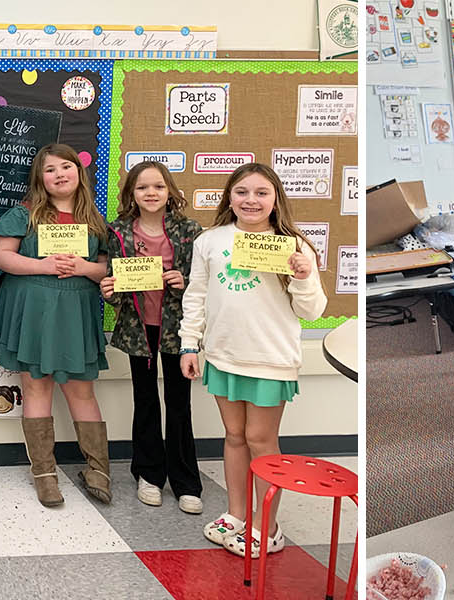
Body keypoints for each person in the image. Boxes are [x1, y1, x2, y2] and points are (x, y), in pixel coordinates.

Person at [177, 163, 327, 557]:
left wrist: (304, 274)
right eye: (242, 192)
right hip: (223, 355)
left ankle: (268, 526)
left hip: (269, 359)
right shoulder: (210, 241)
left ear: (276, 198)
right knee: (234, 436)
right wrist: (189, 344)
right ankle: (237, 515)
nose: (251, 200)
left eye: (262, 192)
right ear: (230, 197)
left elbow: (312, 311)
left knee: (262, 440)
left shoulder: (294, 245)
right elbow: (196, 295)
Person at [0, 143, 113, 507]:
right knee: (37, 387)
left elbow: (107, 268)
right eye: (50, 169)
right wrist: (44, 265)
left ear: (79, 171)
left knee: (82, 391)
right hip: (33, 310)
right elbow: (2, 256)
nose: (59, 174)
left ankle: (98, 469)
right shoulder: (23, 213)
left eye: (66, 167)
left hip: (76, 311)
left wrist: (84, 268)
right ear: (39, 178)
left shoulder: (94, 219)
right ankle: (44, 473)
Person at [99, 161, 205, 514]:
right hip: (138, 329)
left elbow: (203, 285)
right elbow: (116, 287)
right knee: (145, 401)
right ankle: (149, 474)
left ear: (170, 191)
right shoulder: (117, 233)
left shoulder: (189, 231)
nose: (151, 193)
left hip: (178, 329)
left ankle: (186, 481)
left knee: (179, 404)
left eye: (158, 186)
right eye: (142, 187)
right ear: (131, 194)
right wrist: (109, 291)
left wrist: (182, 283)